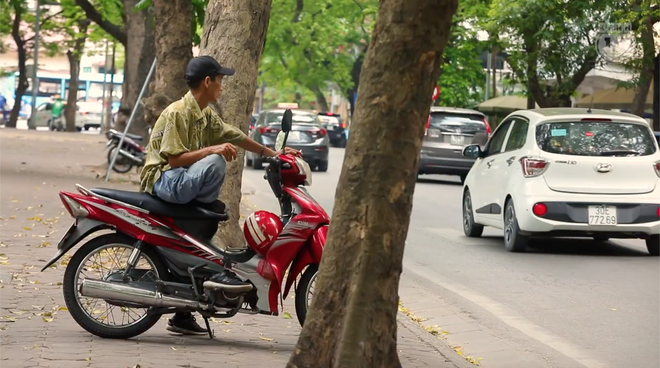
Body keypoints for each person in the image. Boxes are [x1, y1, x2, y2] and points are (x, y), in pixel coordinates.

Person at [139, 56, 300, 336]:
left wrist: (274, 154)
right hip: (164, 180)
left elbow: (234, 135)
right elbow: (175, 161)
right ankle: (199, 210)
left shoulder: (205, 114)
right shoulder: (178, 112)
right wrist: (211, 150)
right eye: (220, 81)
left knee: (201, 243)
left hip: (181, 181)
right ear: (207, 81)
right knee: (215, 163)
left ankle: (183, 314)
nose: (222, 87)